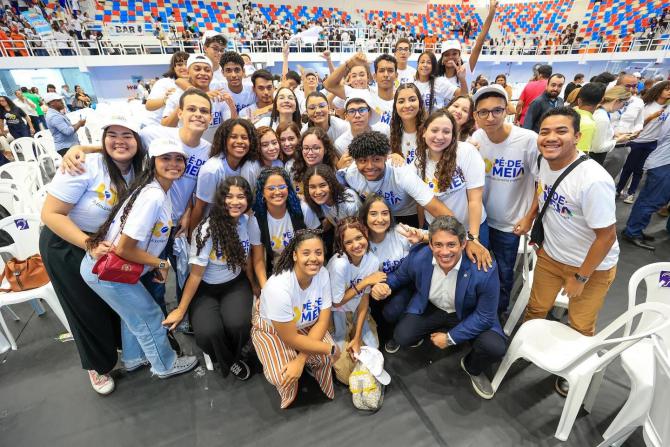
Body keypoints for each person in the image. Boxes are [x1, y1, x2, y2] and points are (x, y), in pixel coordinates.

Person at [40, 116, 144, 394]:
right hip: (67, 244)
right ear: (103, 137)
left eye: (128, 135)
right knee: (85, 309)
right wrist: (87, 243)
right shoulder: (83, 165)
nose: (120, 141)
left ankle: (115, 349)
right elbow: (50, 214)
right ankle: (97, 366)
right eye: (113, 134)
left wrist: (85, 147)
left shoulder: (136, 169)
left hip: (103, 244)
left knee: (111, 303)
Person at [80, 138, 199, 380]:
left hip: (110, 271)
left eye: (178, 159)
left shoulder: (156, 190)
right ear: (153, 162)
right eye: (166, 158)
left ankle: (134, 358)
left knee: (133, 315)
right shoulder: (153, 196)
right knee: (149, 315)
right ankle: (165, 365)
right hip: (109, 273)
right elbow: (124, 249)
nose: (173, 164)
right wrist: (161, 263)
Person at [525, 107, 618, 397]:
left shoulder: (593, 180)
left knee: (581, 323)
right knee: (536, 307)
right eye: (545, 132)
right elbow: (542, 193)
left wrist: (580, 277)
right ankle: (528, 348)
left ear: (577, 136)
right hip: (551, 256)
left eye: (561, 131)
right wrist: (528, 218)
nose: (551, 138)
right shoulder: (544, 161)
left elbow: (606, 237)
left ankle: (575, 370)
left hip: (590, 268)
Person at [371, 216, 507, 399]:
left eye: (451, 245)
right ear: (430, 245)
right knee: (402, 336)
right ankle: (420, 335)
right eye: (438, 245)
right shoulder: (419, 255)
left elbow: (485, 317)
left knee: (495, 347)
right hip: (431, 308)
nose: (444, 252)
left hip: (468, 314)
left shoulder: (484, 268)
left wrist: (450, 338)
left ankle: (471, 367)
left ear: (463, 244)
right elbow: (399, 277)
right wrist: (385, 286)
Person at [162, 177, 258, 380]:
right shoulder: (206, 230)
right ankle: (229, 361)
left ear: (248, 200)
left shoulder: (246, 221)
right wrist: (181, 310)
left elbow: (248, 258)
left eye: (241, 196)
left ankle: (233, 354)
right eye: (229, 196)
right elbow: (196, 275)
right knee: (207, 333)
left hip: (235, 284)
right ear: (220, 199)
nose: (235, 202)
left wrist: (253, 283)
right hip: (205, 288)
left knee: (238, 325)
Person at [469, 84, 540, 314]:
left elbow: (543, 184)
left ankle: (496, 316)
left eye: (496, 110)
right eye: (483, 112)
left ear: (507, 110)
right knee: (479, 271)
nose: (490, 117)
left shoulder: (528, 140)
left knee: (502, 273)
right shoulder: (477, 137)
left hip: (510, 225)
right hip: (481, 221)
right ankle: (478, 311)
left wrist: (530, 217)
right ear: (475, 116)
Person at [251, 229, 340, 409]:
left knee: (324, 359)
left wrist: (301, 359)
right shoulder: (278, 287)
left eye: (318, 252)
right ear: (294, 255)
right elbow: (290, 337)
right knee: (282, 375)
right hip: (274, 330)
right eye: (306, 253)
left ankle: (309, 370)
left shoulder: (322, 274)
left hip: (307, 325)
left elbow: (322, 321)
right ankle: (289, 390)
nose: (313, 258)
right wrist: (327, 347)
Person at [343, 130, 455, 229]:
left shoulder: (401, 173)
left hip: (407, 215)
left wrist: (466, 237)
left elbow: (436, 207)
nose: (370, 166)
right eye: (362, 161)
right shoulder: (351, 175)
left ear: (386, 157)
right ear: (355, 161)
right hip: (376, 216)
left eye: (376, 159)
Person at [414, 109, 489, 251]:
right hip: (437, 230)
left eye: (446, 132)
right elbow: (421, 203)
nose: (439, 136)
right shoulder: (418, 161)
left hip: (472, 229)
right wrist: (421, 227)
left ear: (453, 135)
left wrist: (473, 238)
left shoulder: (466, 152)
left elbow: (475, 200)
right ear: (424, 132)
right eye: (434, 130)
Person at [327, 217, 382, 382]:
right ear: (341, 245)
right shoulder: (339, 265)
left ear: (366, 235)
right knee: (345, 375)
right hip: (335, 314)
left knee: (373, 350)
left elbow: (364, 300)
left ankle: (356, 338)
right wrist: (365, 282)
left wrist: (357, 337)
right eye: (348, 242)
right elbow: (337, 302)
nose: (356, 245)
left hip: (357, 310)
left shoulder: (372, 260)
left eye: (359, 238)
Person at [249, 167, 321, 287]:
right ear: (262, 192)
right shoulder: (256, 220)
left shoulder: (303, 209)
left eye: (282, 187)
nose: (277, 192)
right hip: (276, 269)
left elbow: (317, 244)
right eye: (271, 188)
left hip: (306, 263)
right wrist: (265, 288)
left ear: (288, 188)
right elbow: (259, 260)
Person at [191, 118, 257, 233]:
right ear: (224, 140)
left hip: (237, 227)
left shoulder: (248, 166)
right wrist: (191, 238)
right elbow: (199, 207)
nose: (240, 141)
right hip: (211, 230)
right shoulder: (212, 169)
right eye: (233, 137)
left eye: (244, 137)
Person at [621, 114, 670, 251]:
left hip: (662, 161)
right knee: (652, 201)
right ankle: (633, 232)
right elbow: (661, 137)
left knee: (648, 199)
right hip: (664, 163)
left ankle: (634, 228)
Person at [616, 80, 670, 204]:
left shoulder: (667, 108)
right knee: (628, 167)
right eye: (667, 89)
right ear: (659, 90)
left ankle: (631, 193)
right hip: (637, 141)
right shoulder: (646, 105)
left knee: (639, 170)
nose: (669, 92)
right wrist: (651, 117)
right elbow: (638, 124)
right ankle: (618, 190)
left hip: (652, 143)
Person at [162, 54, 234, 143]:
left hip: (214, 150)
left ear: (212, 74)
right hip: (186, 151)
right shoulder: (177, 95)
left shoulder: (218, 96)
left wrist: (231, 105)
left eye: (207, 70)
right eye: (197, 69)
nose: (203, 73)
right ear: (188, 72)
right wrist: (188, 100)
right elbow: (165, 126)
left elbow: (231, 127)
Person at [437, 0, 497, 89]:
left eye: (454, 53)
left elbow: (478, 45)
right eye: (446, 54)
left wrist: (491, 12)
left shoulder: (466, 70)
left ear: (459, 56)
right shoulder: (436, 77)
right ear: (442, 59)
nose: (450, 57)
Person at [304, 164, 361, 229]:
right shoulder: (321, 200)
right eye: (312, 187)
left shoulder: (350, 205)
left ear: (332, 184)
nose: (318, 192)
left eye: (322, 185)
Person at [334, 92, 390, 158]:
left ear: (369, 113)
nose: (357, 115)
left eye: (362, 110)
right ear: (346, 116)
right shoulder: (340, 144)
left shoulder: (384, 130)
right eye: (352, 111)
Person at [288, 127, 340, 196]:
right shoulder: (294, 171)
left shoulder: (335, 173)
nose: (310, 153)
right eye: (306, 148)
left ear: (325, 149)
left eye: (316, 148)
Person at [144, 51, 189, 126]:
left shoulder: (193, 83)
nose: (184, 67)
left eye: (187, 64)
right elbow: (148, 106)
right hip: (158, 126)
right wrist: (165, 100)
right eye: (179, 65)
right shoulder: (164, 82)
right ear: (174, 67)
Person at [590, 86, 632, 165]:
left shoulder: (601, 112)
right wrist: (617, 140)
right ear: (617, 101)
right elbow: (597, 148)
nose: (622, 107)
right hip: (594, 158)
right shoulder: (602, 118)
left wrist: (614, 134)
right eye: (624, 103)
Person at [390, 83, 426, 165]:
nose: (407, 105)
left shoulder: (430, 131)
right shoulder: (390, 133)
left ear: (420, 103)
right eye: (401, 101)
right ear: (395, 106)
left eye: (412, 100)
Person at [240, 126, 283, 191]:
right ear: (258, 148)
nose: (271, 148)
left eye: (274, 143)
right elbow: (246, 195)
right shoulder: (250, 168)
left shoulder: (279, 164)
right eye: (265, 145)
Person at [574, 82, 607, 154]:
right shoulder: (589, 124)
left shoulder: (571, 111)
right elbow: (581, 153)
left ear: (579, 100)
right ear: (601, 100)